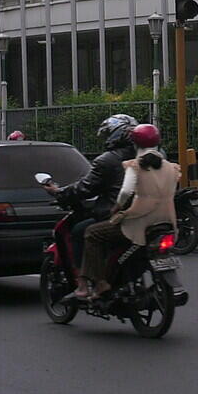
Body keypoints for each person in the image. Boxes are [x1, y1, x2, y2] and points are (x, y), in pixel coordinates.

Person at [40, 113, 137, 296]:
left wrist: (59, 192)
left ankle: (86, 281)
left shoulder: (108, 160)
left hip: (120, 216)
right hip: (148, 215)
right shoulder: (152, 156)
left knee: (81, 231)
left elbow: (85, 188)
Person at [79, 123, 180, 299]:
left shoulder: (135, 166)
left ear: (134, 144)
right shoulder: (171, 167)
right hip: (167, 220)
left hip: (139, 221)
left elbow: (125, 192)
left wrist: (117, 207)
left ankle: (100, 283)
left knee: (91, 233)